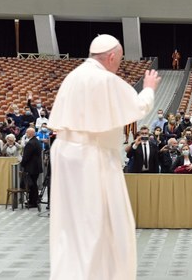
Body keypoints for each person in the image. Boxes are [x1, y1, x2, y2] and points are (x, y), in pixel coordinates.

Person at [48, 34, 160, 280]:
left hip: (65, 153)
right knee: (101, 224)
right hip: (92, 156)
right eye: (118, 61)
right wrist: (149, 89)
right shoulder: (103, 79)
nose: (118, 66)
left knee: (70, 224)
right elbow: (137, 107)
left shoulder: (73, 76)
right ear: (111, 57)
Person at [20, 127, 42, 209]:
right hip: (36, 167)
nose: (26, 134)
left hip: (31, 168)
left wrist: (22, 164)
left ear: (32, 133)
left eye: (27, 132)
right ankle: (33, 201)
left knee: (32, 185)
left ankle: (33, 202)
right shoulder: (37, 141)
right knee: (34, 184)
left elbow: (26, 157)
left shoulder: (30, 143)